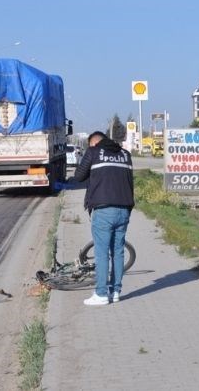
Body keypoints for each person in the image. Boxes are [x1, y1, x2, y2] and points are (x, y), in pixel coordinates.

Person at [73, 131, 134, 306]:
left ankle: (100, 294)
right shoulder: (125, 155)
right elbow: (130, 182)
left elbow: (78, 176)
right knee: (118, 252)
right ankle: (115, 292)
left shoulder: (93, 152)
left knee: (101, 253)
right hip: (124, 209)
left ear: (94, 143)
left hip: (103, 209)